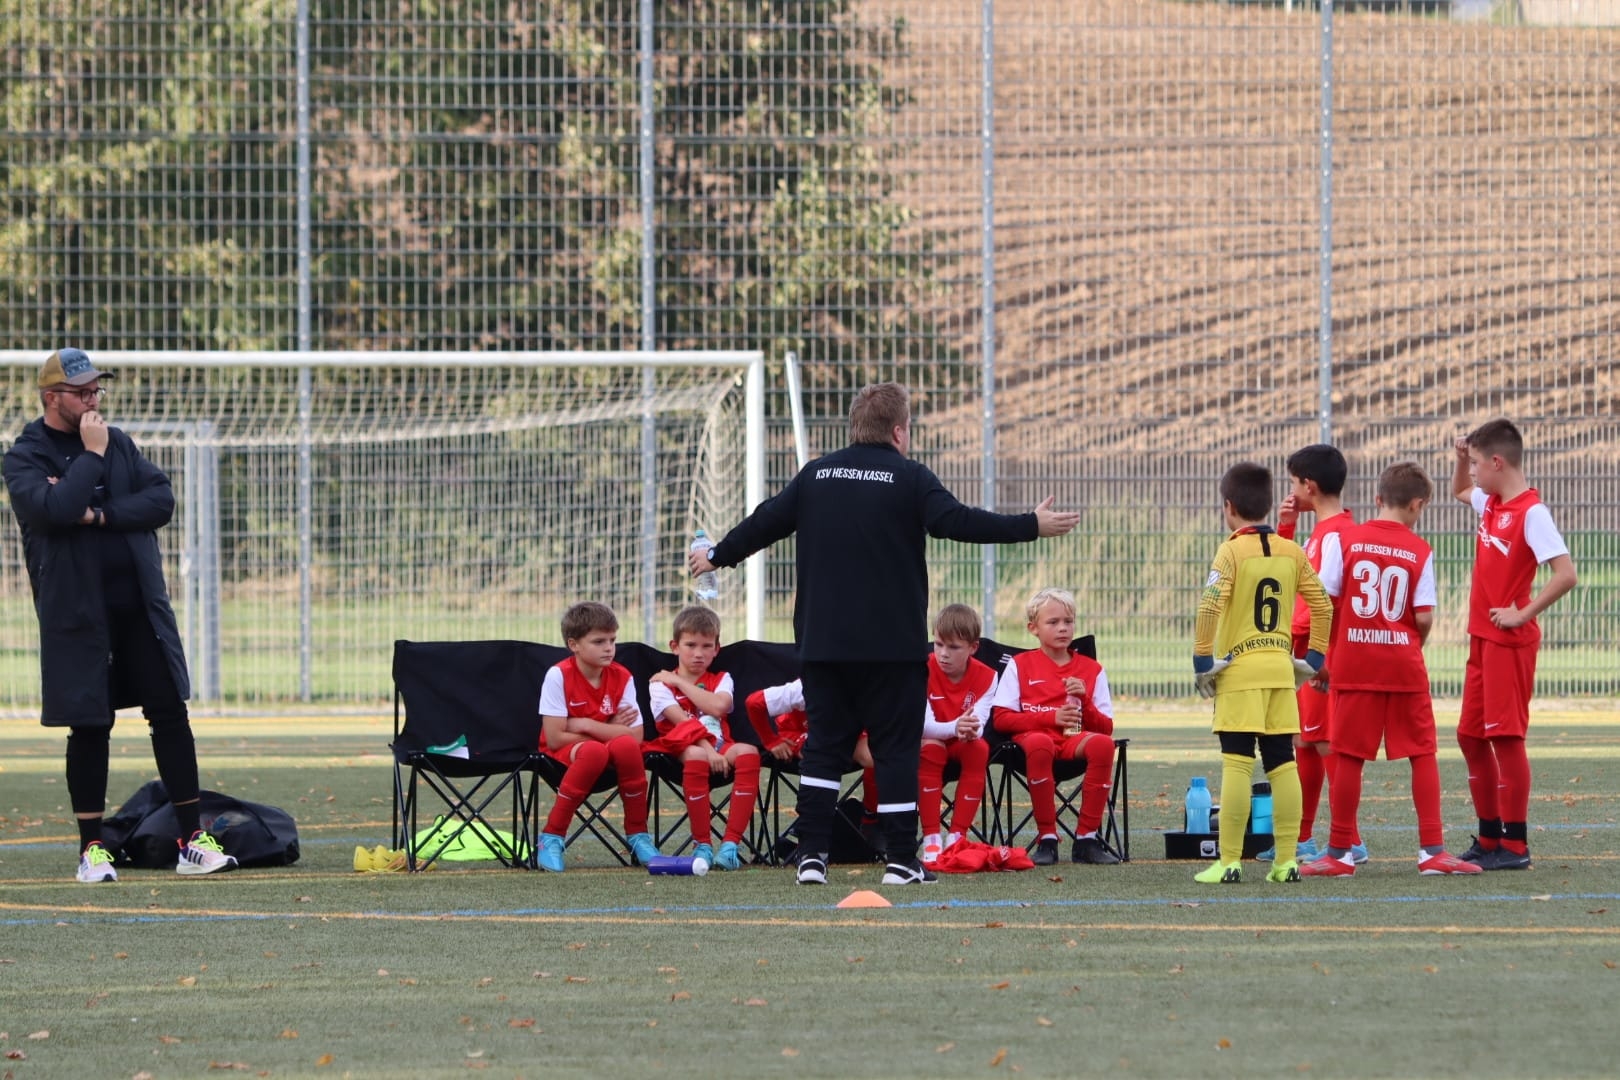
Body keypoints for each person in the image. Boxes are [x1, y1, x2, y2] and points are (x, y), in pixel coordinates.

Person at [689, 381, 1079, 886]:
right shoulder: (910, 476)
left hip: (824, 646)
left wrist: (716, 555)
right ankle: (899, 860)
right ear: (899, 431)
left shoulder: (817, 474)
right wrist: (1030, 525)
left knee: (824, 747)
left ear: (854, 426)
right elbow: (957, 521)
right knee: (895, 749)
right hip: (892, 649)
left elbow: (765, 522)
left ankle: (812, 858)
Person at [3, 348, 237, 883]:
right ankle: (92, 850)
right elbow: (54, 511)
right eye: (81, 392)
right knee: (90, 725)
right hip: (78, 616)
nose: (93, 400)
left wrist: (99, 514)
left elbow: (160, 501)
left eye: (96, 390)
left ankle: (191, 842)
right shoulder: (26, 456)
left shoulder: (119, 443)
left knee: (170, 713)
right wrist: (90, 458)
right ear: (51, 398)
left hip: (138, 611)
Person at [1302, 462, 1480, 876]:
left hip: (1354, 664)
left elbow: (1322, 602)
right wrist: (1408, 642)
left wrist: (1321, 657)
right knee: (1422, 752)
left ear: (1377, 498)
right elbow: (1424, 617)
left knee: (1348, 755)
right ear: (1418, 505)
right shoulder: (1420, 550)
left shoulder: (1344, 540)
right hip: (1404, 666)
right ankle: (1432, 850)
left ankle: (1340, 853)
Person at [1192, 462, 1333, 885]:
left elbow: (1210, 606)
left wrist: (1202, 662)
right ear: (1269, 505)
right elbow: (1322, 605)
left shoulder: (1231, 551)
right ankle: (1286, 862)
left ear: (1228, 506)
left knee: (1237, 764)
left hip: (1239, 673)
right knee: (1282, 764)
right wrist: (1315, 659)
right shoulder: (1291, 551)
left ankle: (1229, 862)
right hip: (1280, 672)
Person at [1450, 419, 1577, 870]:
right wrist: (1461, 459)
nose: (1473, 472)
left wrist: (1523, 613)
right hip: (1482, 640)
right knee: (1470, 736)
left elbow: (1566, 574)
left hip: (1509, 643)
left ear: (1498, 462)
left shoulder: (1531, 512)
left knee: (1504, 737)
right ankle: (1488, 839)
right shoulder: (1491, 501)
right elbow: (1460, 490)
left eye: (1477, 463)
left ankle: (1515, 845)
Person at [1262, 443, 1365, 864]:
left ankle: (1350, 840)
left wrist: (1294, 637)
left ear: (1309, 485)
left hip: (1321, 655)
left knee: (1325, 743)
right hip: (1310, 653)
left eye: (1292, 483)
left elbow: (1324, 602)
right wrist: (1286, 529)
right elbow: (1288, 575)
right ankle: (1302, 837)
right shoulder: (1322, 532)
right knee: (1305, 741)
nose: (1290, 491)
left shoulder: (1335, 535)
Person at [989, 588, 1120, 866]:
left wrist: (1085, 701)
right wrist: (1051, 718)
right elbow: (1001, 719)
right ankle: (1047, 838)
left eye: (1068, 621)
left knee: (1103, 745)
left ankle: (1086, 839)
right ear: (1033, 628)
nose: (1063, 628)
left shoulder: (1092, 669)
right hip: (1032, 742)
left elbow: (1105, 728)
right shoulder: (1019, 664)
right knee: (1040, 743)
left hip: (1073, 741)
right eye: (1053, 622)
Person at [535, 601, 661, 872]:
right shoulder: (558, 675)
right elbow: (555, 738)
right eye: (599, 641)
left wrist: (585, 724)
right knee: (595, 751)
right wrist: (609, 728)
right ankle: (551, 837)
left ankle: (638, 836)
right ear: (574, 644)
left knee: (626, 746)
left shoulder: (622, 676)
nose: (609, 648)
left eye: (612, 640)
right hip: (563, 755)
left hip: (604, 748)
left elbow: (636, 735)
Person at [644, 605, 760, 872]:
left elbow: (718, 707)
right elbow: (682, 723)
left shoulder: (721, 678)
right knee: (696, 754)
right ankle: (702, 845)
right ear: (675, 647)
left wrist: (680, 683)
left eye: (707, 646)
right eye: (690, 645)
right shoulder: (659, 684)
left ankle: (730, 846)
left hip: (720, 745)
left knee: (749, 752)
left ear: (717, 649)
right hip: (679, 746)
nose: (699, 653)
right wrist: (709, 751)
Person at [743, 677, 880, 847]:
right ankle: (812, 830)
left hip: (846, 731)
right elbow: (754, 703)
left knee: (877, 756)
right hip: (800, 732)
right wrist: (770, 740)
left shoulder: (866, 683)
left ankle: (872, 817)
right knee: (819, 754)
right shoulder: (803, 689)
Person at [918, 604, 994, 865]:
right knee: (931, 747)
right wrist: (955, 727)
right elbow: (923, 726)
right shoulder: (922, 669)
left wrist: (970, 729)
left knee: (979, 748)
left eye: (953, 647)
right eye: (938, 644)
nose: (943, 653)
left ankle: (957, 837)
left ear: (973, 647)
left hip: (961, 742)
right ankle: (931, 839)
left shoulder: (988, 677)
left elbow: (979, 723)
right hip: (928, 741)